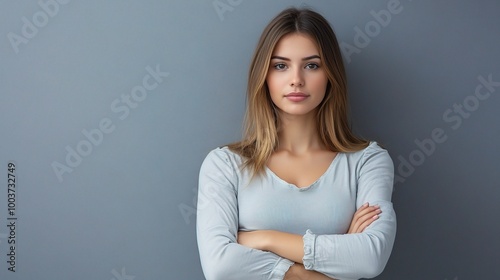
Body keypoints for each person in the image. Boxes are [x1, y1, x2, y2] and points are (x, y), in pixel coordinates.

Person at [196, 7, 396, 280]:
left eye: (312, 65)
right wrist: (336, 257)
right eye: (281, 65)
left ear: (330, 74)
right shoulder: (225, 164)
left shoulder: (367, 161)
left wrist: (264, 239)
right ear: (264, 76)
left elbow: (370, 258)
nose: (296, 80)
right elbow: (220, 267)